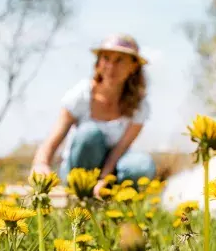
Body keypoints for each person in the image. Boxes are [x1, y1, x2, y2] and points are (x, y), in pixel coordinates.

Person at [30, 34, 156, 198]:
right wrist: (40, 163)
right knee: (89, 134)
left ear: (133, 67)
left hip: (113, 170)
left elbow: (119, 150)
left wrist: (104, 179)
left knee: (143, 165)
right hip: (78, 167)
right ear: (98, 62)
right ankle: (81, 192)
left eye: (119, 60)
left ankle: (110, 197)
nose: (111, 66)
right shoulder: (81, 94)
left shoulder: (139, 106)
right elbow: (53, 139)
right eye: (106, 58)